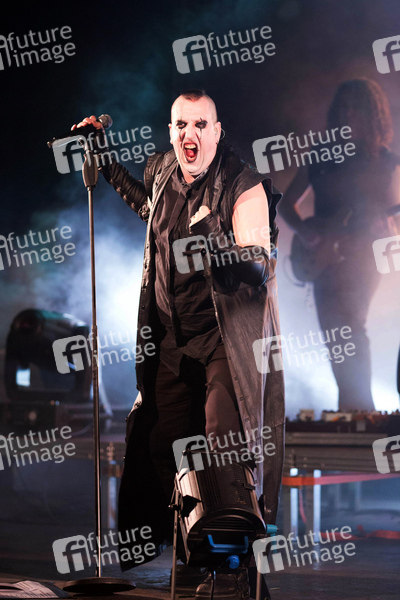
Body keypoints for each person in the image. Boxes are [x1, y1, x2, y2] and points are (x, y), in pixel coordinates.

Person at [73, 89, 284, 600]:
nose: (190, 134)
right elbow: (148, 208)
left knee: (220, 446)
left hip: (223, 341)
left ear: (217, 131)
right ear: (171, 132)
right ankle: (194, 561)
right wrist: (106, 162)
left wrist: (213, 236)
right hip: (171, 340)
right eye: (181, 125)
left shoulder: (242, 184)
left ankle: (234, 571)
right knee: (163, 445)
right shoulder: (163, 171)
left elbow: (259, 264)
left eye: (200, 125)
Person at [280, 78, 400, 411]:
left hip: (363, 259)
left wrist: (387, 228)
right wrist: (305, 231)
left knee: (351, 326)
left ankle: (361, 410)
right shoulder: (321, 155)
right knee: (334, 335)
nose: (348, 114)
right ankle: (352, 410)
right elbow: (286, 204)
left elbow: (394, 222)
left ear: (371, 114)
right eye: (343, 107)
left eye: (355, 108)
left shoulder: (385, 162)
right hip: (321, 259)